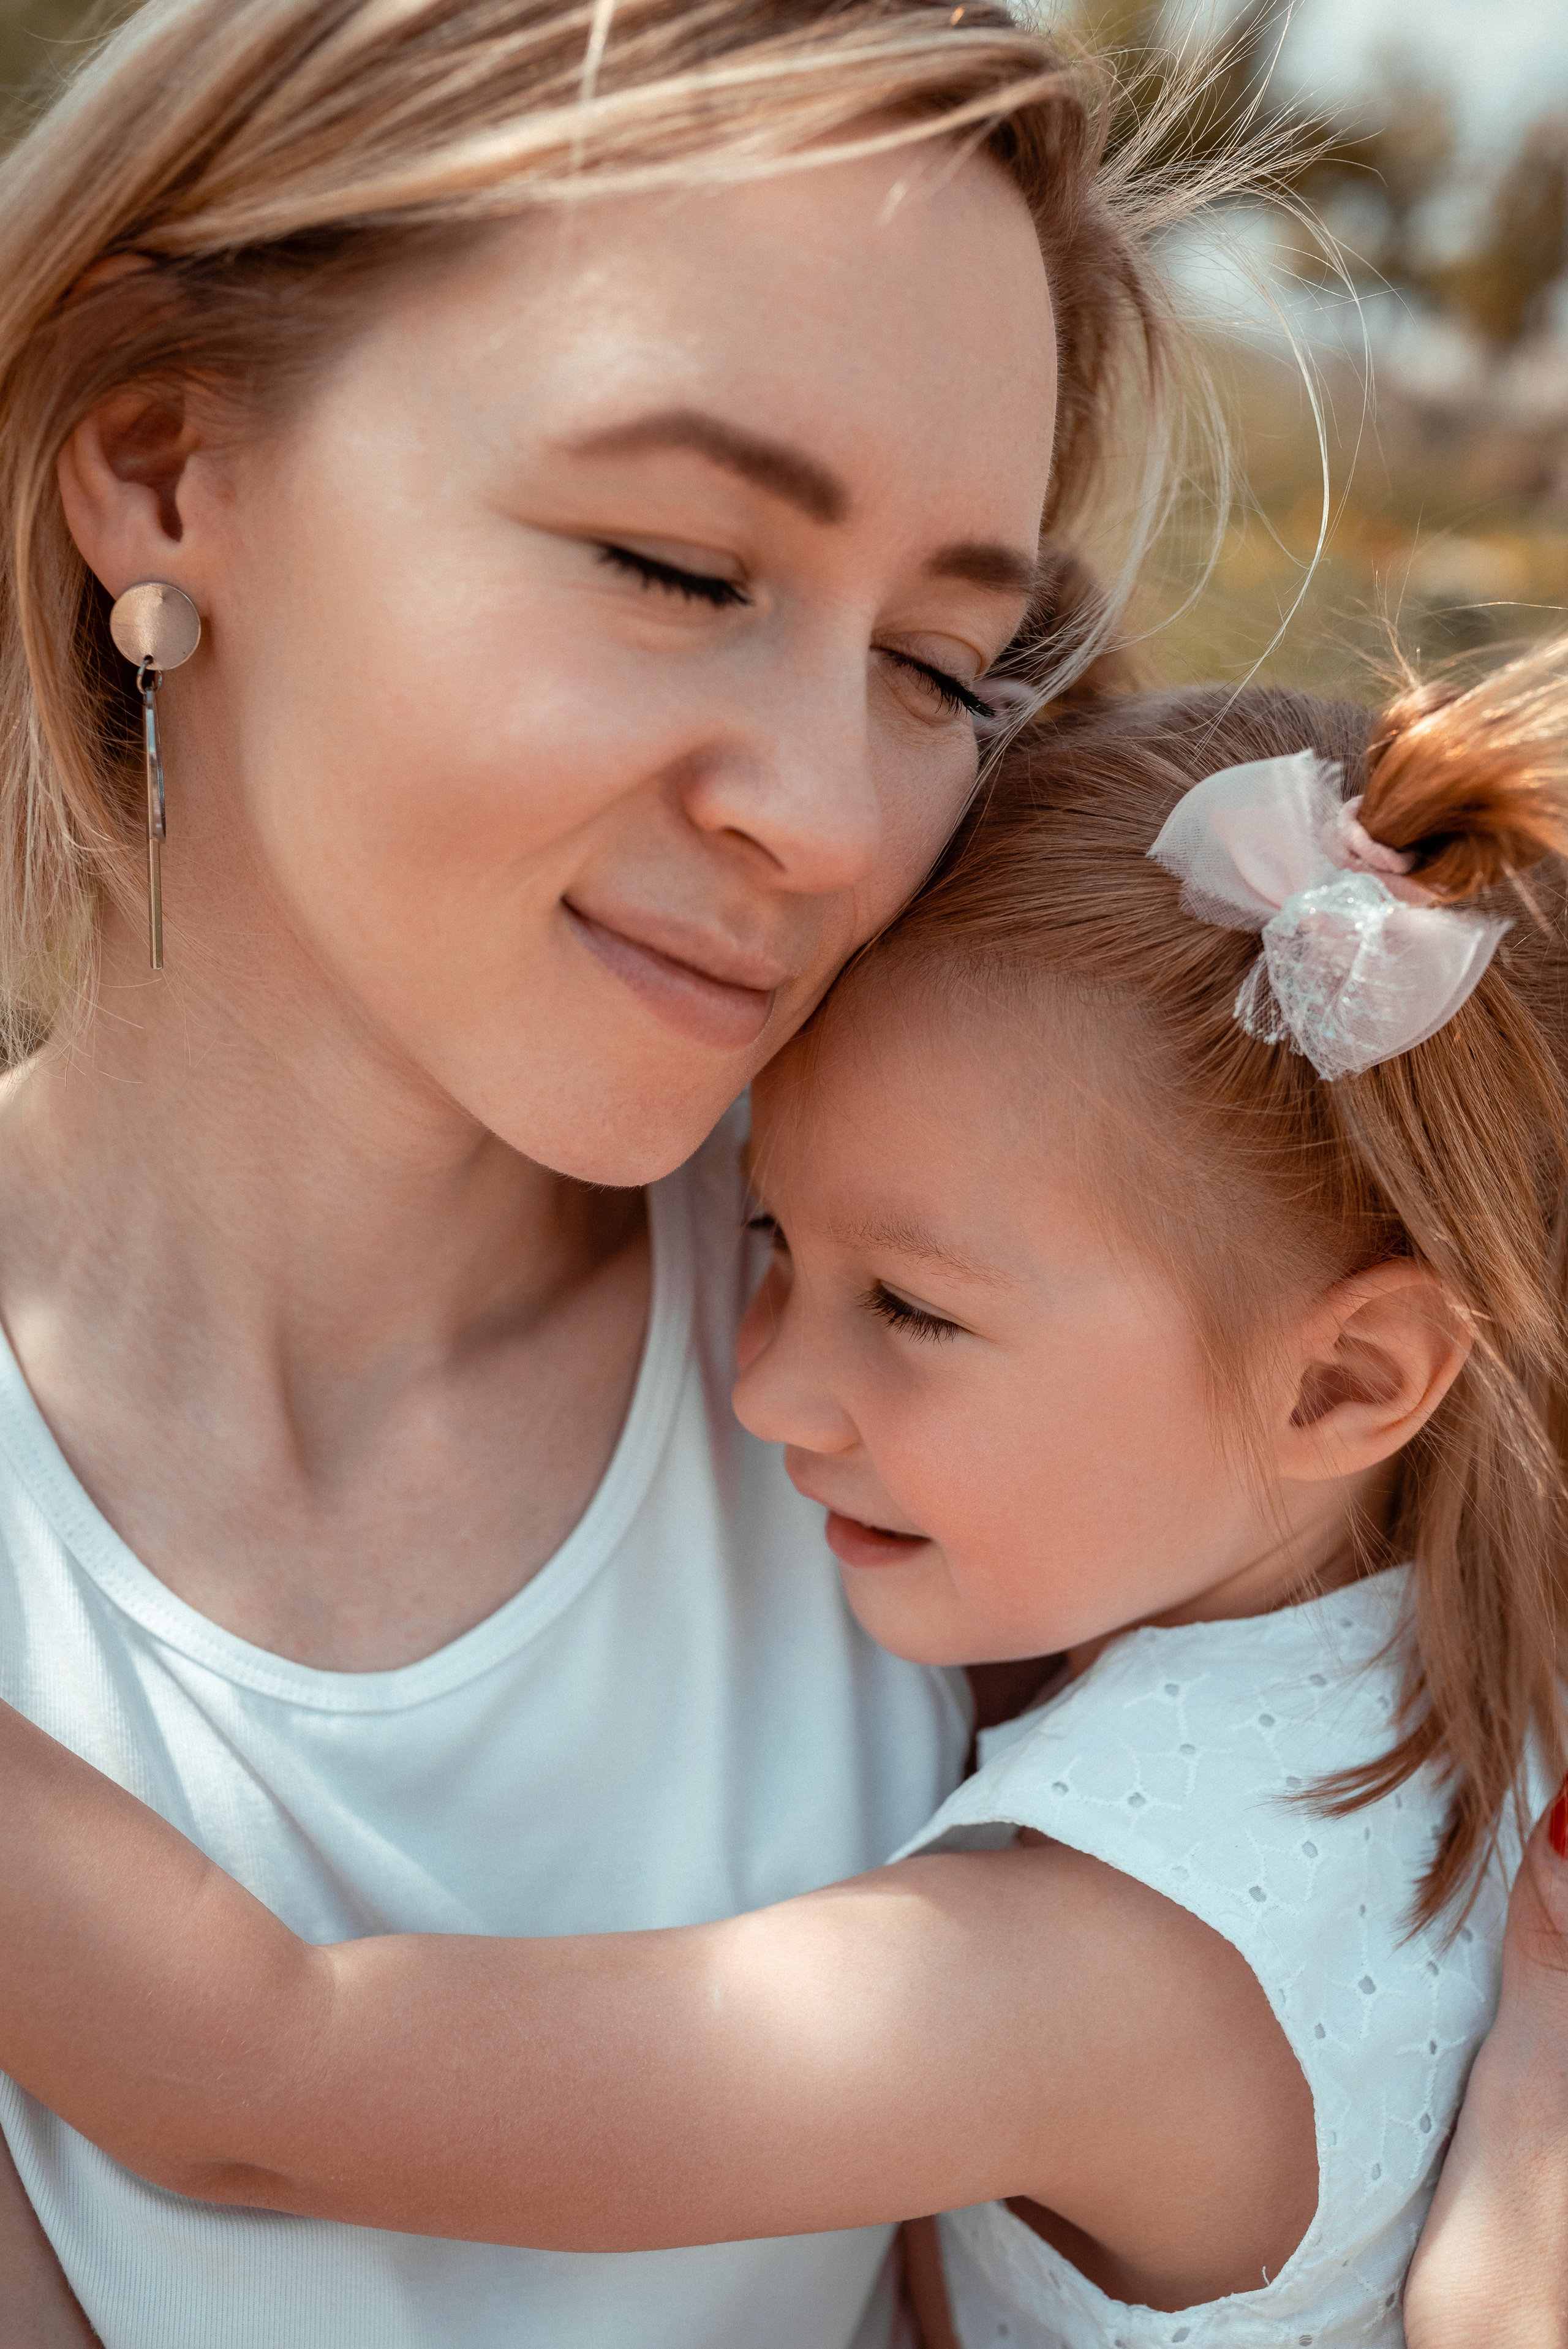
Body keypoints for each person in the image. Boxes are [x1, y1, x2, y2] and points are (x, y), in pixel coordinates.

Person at [0, 1, 1227, 2342]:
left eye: (945, 672)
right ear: (158, 463)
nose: (837, 812)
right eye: (677, 565)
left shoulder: (998, 1362)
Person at [4, 641, 1567, 2347]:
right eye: (768, 1235)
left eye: (910, 1307)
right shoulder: (1470, 1665)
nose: (760, 1384)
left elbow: (271, 2083)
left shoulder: (1104, 1970)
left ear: (1344, 1382)